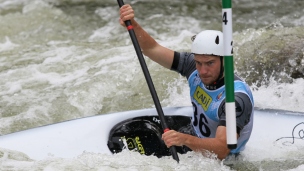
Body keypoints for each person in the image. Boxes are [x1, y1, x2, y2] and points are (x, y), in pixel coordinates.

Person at [118, 4, 254, 160]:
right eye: (199, 62)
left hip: (218, 160)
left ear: (225, 61)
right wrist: (133, 24)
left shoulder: (235, 99)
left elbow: (222, 150)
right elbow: (152, 49)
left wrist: (184, 139)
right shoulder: (192, 65)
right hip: (194, 132)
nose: (202, 71)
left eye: (210, 63)